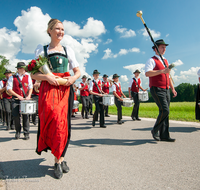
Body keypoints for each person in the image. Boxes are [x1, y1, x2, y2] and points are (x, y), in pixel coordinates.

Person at [32, 19, 80, 179]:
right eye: (57, 29)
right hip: (49, 89)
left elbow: (77, 71)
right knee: (52, 120)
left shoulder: (68, 50)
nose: (61, 32)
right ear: (49, 31)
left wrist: (73, 79)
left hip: (65, 88)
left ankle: (59, 160)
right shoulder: (42, 50)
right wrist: (46, 77)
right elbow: (32, 74)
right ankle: (58, 157)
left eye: (63, 29)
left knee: (63, 123)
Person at [145, 39, 177, 142]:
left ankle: (164, 135)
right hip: (156, 88)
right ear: (156, 49)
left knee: (166, 113)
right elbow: (148, 73)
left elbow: (168, 76)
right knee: (165, 110)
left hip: (166, 89)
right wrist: (162, 70)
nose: (164, 49)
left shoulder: (165, 61)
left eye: (165, 47)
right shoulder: (151, 60)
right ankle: (155, 130)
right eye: (162, 47)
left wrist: (172, 88)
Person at [7, 62, 33, 140]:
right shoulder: (12, 77)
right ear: (18, 69)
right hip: (15, 99)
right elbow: (9, 89)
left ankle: (26, 133)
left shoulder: (28, 76)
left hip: (24, 100)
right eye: (22, 68)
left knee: (26, 116)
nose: (24, 69)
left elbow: (30, 87)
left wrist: (29, 96)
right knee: (16, 116)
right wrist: (18, 95)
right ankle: (18, 131)